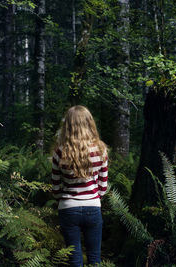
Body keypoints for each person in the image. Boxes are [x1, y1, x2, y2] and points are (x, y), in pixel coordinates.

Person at [51, 105, 108, 267]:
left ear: (67, 125)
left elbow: (56, 190)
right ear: (90, 123)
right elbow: (103, 187)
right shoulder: (101, 150)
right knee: (95, 257)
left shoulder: (59, 152)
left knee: (74, 259)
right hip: (93, 207)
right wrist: (92, 196)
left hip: (68, 209)